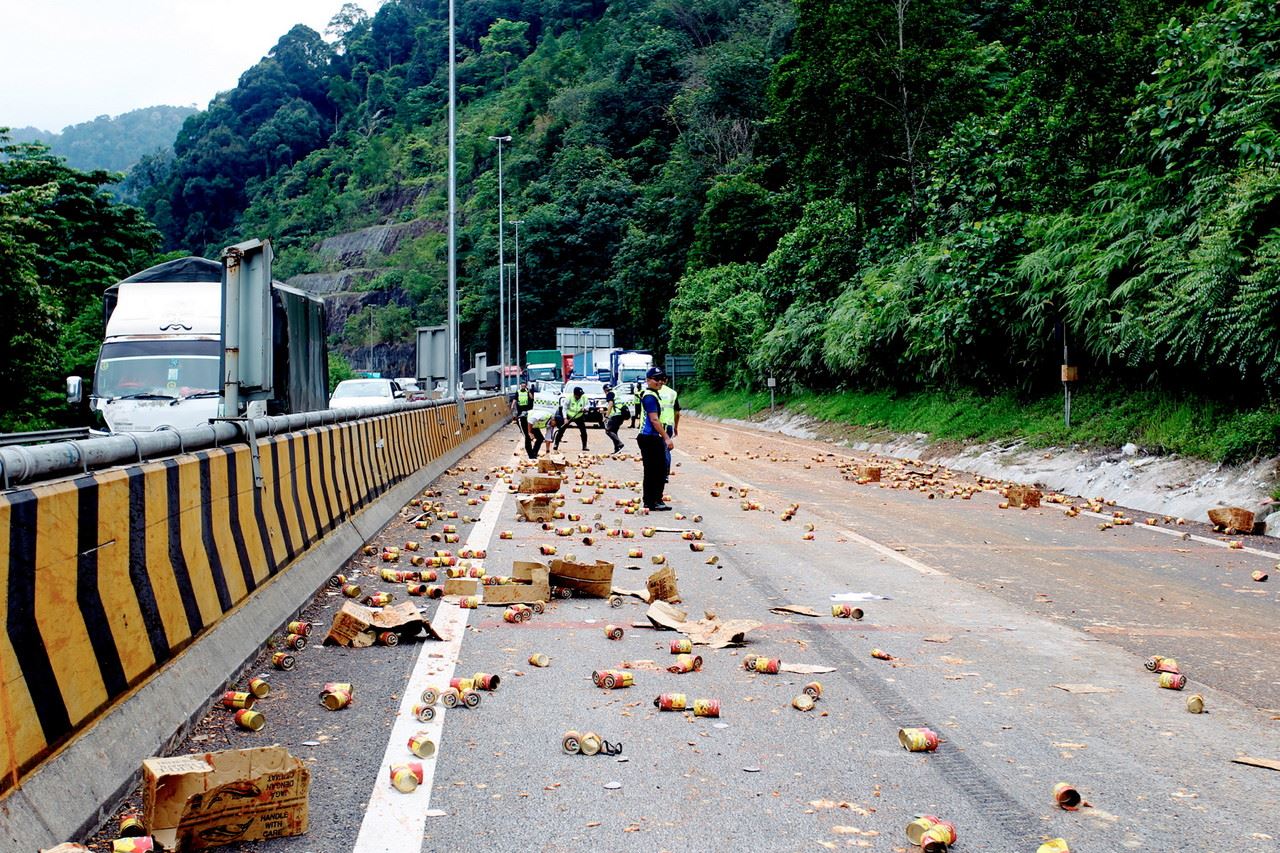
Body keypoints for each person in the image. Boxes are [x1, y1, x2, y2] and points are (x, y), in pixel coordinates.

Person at [636, 367, 672, 511]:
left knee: (656, 469)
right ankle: (653, 501)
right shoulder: (650, 397)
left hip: (651, 437)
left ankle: (652, 500)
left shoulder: (653, 395)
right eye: (656, 379)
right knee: (655, 470)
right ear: (648, 380)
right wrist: (667, 438)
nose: (660, 382)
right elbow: (654, 420)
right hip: (649, 437)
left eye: (662, 379)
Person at [554, 386, 591, 452]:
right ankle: (556, 444)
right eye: (578, 395)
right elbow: (564, 408)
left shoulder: (584, 397)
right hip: (569, 415)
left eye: (580, 395)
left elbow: (588, 405)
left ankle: (584, 446)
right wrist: (565, 418)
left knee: (583, 431)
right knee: (561, 429)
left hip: (579, 416)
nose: (580, 396)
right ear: (574, 394)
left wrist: (585, 408)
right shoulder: (569, 398)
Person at [657, 376, 680, 480]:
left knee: (657, 449)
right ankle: (665, 474)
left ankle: (661, 473)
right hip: (669, 424)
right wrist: (676, 427)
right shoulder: (672, 393)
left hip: (657, 424)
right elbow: (677, 413)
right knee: (666, 449)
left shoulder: (652, 392)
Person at [602, 383, 626, 454]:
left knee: (608, 431)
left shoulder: (610, 394)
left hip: (616, 415)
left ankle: (619, 443)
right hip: (621, 415)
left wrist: (606, 416)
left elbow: (611, 404)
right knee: (614, 432)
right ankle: (617, 449)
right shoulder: (616, 393)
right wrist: (605, 411)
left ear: (605, 390)